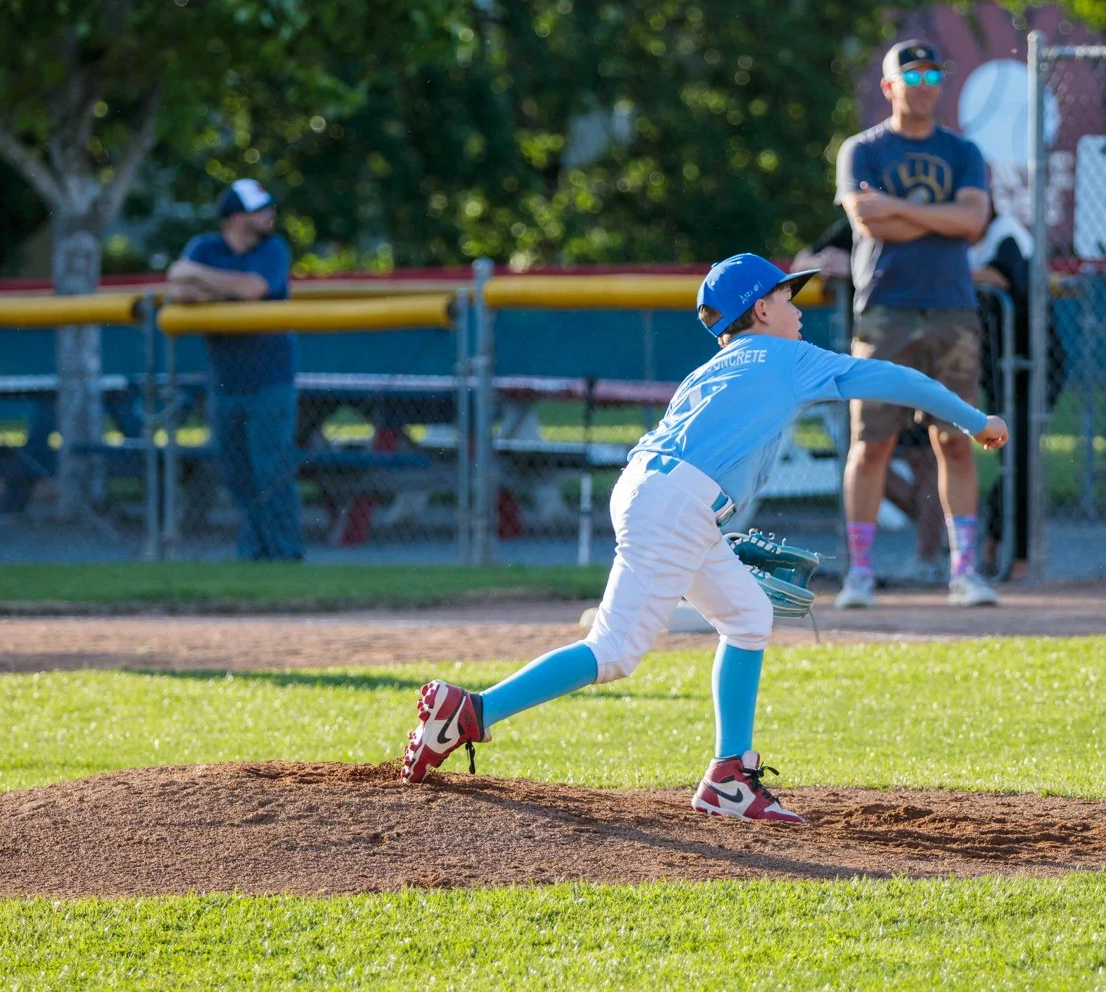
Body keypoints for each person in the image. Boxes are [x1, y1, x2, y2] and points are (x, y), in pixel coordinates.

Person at [400, 253, 1008, 823]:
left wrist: (702, 529)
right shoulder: (786, 358)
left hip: (658, 493)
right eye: (786, 297)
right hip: (675, 506)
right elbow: (895, 378)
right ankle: (472, 711)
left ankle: (729, 777)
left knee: (747, 616)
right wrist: (977, 420)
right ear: (761, 310)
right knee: (613, 651)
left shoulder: (715, 366)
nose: (798, 309)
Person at [834, 39, 995, 609]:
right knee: (871, 445)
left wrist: (900, 209)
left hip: (952, 311)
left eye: (933, 73)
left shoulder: (963, 151)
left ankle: (965, 571)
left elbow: (972, 221)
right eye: (912, 74)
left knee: (955, 441)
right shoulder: (862, 150)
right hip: (884, 313)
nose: (924, 83)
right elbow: (870, 224)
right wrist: (938, 219)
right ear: (889, 86)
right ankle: (859, 574)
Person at [795, 220, 946, 584]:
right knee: (865, 452)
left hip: (922, 355)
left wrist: (856, 268)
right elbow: (800, 263)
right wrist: (824, 263)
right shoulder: (860, 219)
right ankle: (865, 564)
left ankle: (931, 555)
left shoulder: (924, 222)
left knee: (925, 455)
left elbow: (926, 274)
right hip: (870, 360)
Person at [165, 179, 303, 562]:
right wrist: (220, 286)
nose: (270, 216)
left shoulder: (273, 248)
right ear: (237, 217)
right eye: (261, 210)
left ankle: (285, 554)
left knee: (271, 469)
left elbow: (252, 288)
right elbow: (177, 288)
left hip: (271, 377)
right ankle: (254, 554)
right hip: (225, 380)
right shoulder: (205, 246)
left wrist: (202, 280)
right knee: (238, 473)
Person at [969, 199, 1065, 577]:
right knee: (1012, 459)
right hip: (1002, 370)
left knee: (1020, 458)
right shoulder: (971, 243)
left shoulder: (1005, 233)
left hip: (1037, 365)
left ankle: (1019, 556)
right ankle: (996, 542)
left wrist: (962, 274)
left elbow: (1008, 279)